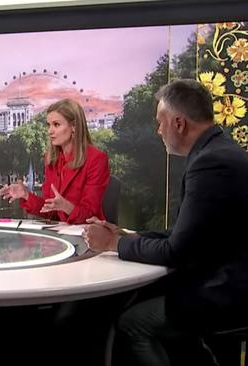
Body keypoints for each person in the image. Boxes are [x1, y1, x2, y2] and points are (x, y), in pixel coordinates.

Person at [83, 79, 248, 366]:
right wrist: (127, 235)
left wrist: (113, 243)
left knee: (132, 324)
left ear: (178, 123)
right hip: (227, 279)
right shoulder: (219, 151)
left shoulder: (210, 164)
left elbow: (176, 251)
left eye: (161, 123)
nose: (159, 131)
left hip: (228, 292)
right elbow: (184, 235)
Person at [0, 98, 110, 223]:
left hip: (89, 234)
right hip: (62, 234)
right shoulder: (50, 159)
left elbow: (90, 215)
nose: (49, 131)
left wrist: (66, 206)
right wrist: (26, 195)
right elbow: (49, 211)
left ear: (74, 126)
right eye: (49, 125)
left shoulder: (96, 159)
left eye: (56, 125)